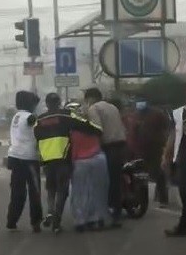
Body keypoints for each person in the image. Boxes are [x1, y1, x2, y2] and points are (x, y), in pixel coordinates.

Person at [65, 102, 111, 233]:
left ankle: (81, 220)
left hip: (81, 161)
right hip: (99, 159)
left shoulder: (70, 130)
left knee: (79, 193)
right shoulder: (92, 126)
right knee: (99, 191)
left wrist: (70, 165)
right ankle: (97, 218)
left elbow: (71, 150)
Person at [83, 88, 126, 228]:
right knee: (116, 181)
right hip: (121, 146)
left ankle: (107, 214)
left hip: (108, 148)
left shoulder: (94, 108)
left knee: (105, 182)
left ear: (90, 98)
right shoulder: (112, 107)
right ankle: (117, 213)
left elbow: (97, 129)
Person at [33, 93, 74, 231]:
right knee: (62, 190)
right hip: (63, 158)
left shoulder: (40, 119)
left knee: (51, 189)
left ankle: (50, 211)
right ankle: (57, 220)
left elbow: (36, 138)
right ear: (59, 102)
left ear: (46, 103)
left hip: (47, 159)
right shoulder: (65, 115)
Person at [6, 91, 43, 233]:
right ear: (30, 104)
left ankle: (11, 221)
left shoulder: (16, 116)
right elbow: (36, 126)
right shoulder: (30, 117)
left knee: (17, 192)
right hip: (29, 159)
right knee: (35, 191)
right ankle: (36, 222)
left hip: (14, 157)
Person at [163, 82, 186, 237]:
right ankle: (185, 224)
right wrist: (166, 156)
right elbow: (173, 135)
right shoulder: (177, 114)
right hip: (184, 156)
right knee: (185, 192)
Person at [132, 99, 171, 207]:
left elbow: (167, 127)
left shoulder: (157, 113)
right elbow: (133, 131)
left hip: (156, 147)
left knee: (158, 172)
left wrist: (165, 142)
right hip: (141, 149)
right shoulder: (135, 115)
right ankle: (142, 198)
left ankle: (163, 199)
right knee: (141, 174)